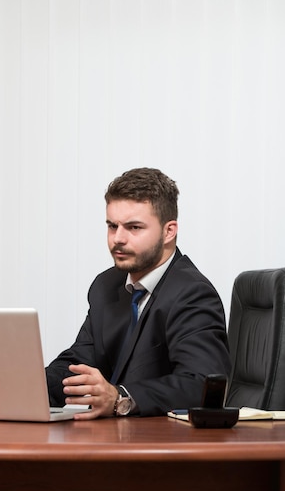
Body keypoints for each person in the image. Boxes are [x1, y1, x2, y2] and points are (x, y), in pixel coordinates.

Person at [46, 167, 231, 419]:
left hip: (165, 446)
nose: (118, 238)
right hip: (114, 442)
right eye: (112, 226)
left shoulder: (192, 293)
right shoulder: (106, 285)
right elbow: (80, 361)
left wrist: (121, 398)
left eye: (133, 228)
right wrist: (28, 386)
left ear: (169, 231)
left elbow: (200, 384)